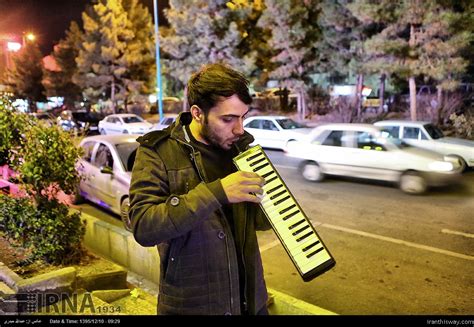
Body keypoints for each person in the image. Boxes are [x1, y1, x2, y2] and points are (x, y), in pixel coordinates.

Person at [129, 63, 272, 315]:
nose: (239, 129)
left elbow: (260, 223)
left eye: (243, 117)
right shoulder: (157, 152)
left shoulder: (242, 148)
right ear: (197, 113)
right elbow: (144, 226)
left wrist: (271, 199)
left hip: (251, 301)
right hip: (192, 306)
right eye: (228, 119)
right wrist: (217, 193)